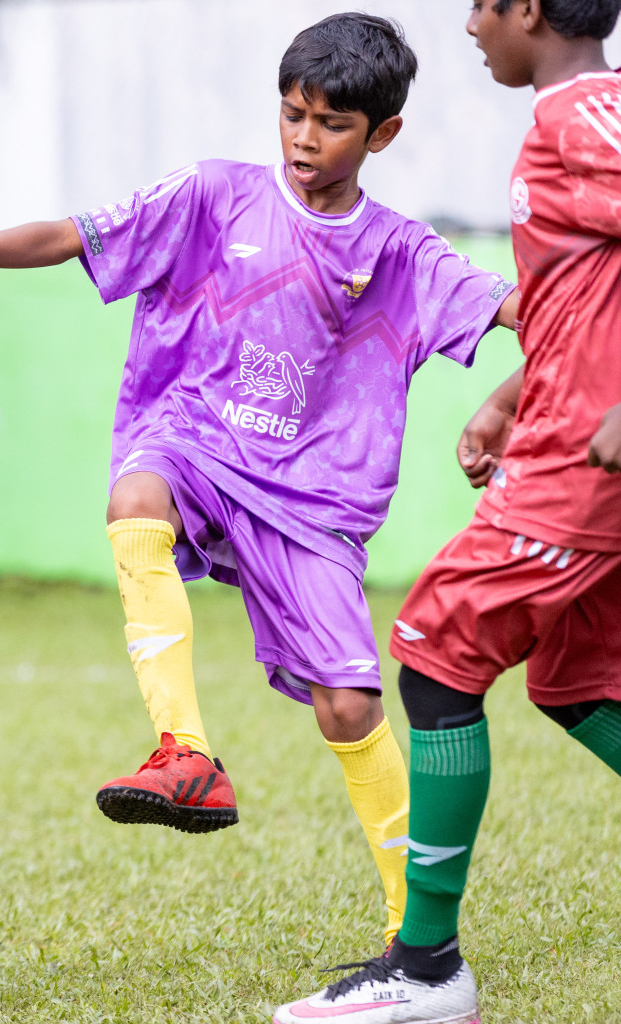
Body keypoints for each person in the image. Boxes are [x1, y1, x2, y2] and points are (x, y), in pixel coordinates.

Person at [0, 13, 520, 954]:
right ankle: (187, 753)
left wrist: (555, 334)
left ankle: (415, 937)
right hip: (199, 444)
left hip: (313, 504)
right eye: (292, 113)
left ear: (383, 135)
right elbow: (76, 232)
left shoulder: (404, 254)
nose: (303, 136)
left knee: (351, 706)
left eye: (332, 123)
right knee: (138, 497)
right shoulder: (215, 195)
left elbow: (517, 310)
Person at [277, 2, 621, 1021]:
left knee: (435, 647)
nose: (470, 24)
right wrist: (514, 396)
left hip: (586, 464)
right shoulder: (566, 117)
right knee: (572, 679)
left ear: (526, 8)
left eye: (483, 3)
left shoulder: (584, 117)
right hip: (563, 433)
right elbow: (589, 297)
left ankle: (426, 967)